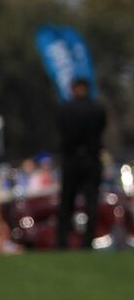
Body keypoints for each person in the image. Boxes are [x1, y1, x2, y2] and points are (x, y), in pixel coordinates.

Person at [55, 77, 106, 250]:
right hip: (91, 160)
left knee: (66, 203)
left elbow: (61, 131)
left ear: (73, 89)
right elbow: (101, 129)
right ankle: (87, 242)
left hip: (71, 161)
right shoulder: (97, 109)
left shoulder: (65, 109)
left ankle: (62, 242)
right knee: (91, 203)